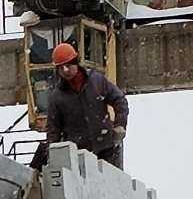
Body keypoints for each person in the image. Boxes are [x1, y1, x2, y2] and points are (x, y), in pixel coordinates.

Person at [31, 41, 128, 170]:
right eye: (60, 67)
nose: (65, 70)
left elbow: (119, 100)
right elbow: (53, 130)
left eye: (68, 65)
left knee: (111, 187)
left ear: (76, 62)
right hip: (80, 156)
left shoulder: (97, 81)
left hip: (107, 149)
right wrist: (51, 153)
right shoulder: (57, 97)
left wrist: (120, 124)